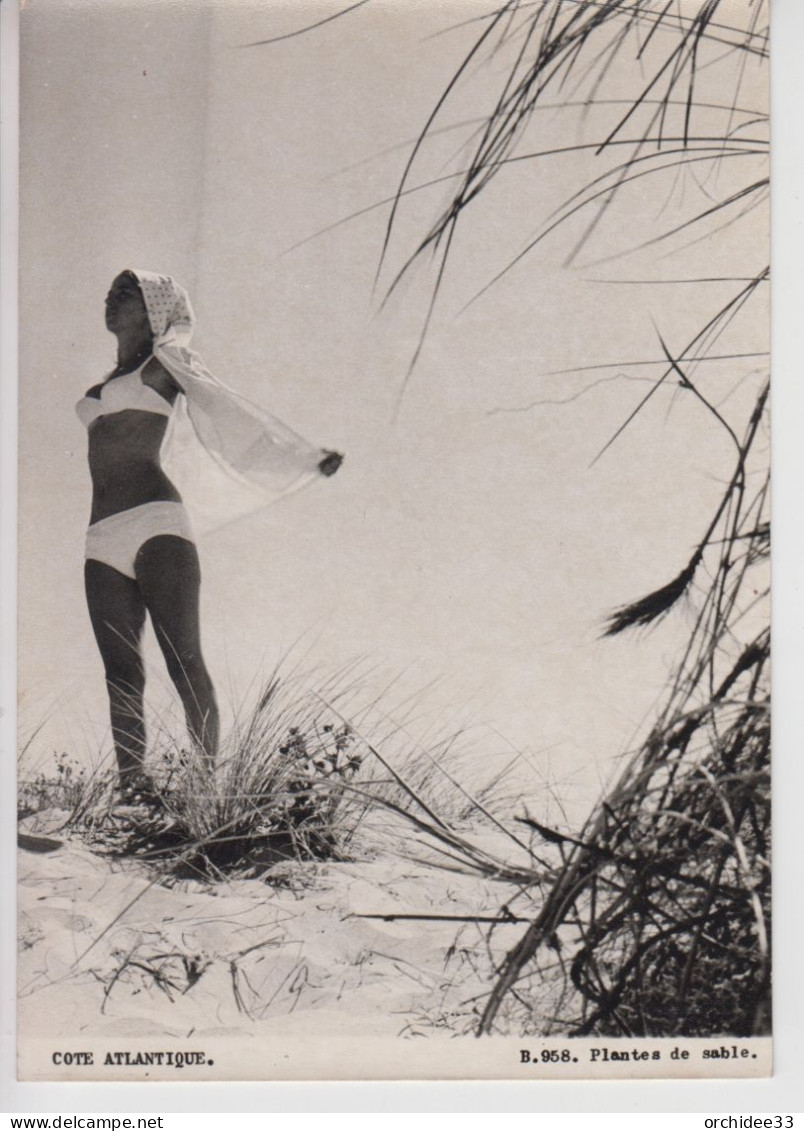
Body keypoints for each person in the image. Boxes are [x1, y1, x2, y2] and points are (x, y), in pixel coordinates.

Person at [77, 269, 342, 795]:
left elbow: (229, 409)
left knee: (183, 659)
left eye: (125, 293)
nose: (111, 299)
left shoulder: (165, 363)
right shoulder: (105, 383)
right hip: (100, 535)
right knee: (120, 672)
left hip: (157, 523)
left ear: (155, 307)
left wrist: (301, 456)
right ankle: (133, 787)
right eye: (109, 291)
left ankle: (206, 788)